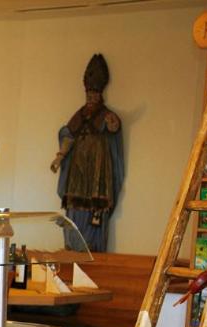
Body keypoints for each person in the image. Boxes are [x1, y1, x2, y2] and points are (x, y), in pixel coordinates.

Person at [51, 54, 124, 253]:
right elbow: (69, 135)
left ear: (100, 94)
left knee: (95, 208)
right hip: (78, 171)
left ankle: (92, 245)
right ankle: (72, 243)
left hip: (97, 171)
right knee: (74, 206)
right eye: (88, 95)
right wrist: (60, 157)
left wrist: (113, 124)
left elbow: (114, 129)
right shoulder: (80, 114)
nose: (90, 98)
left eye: (94, 95)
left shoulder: (105, 114)